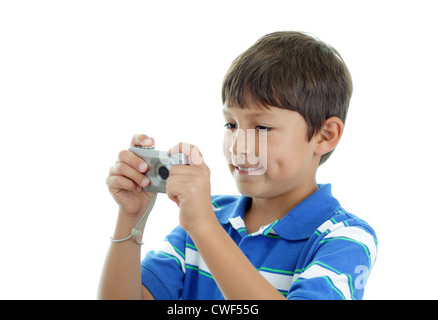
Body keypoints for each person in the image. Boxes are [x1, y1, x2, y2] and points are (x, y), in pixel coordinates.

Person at [98, 31, 378, 300]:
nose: (238, 147)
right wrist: (131, 218)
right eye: (231, 124)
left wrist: (204, 227)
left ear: (325, 135)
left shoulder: (345, 237)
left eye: (263, 127)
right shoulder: (207, 217)